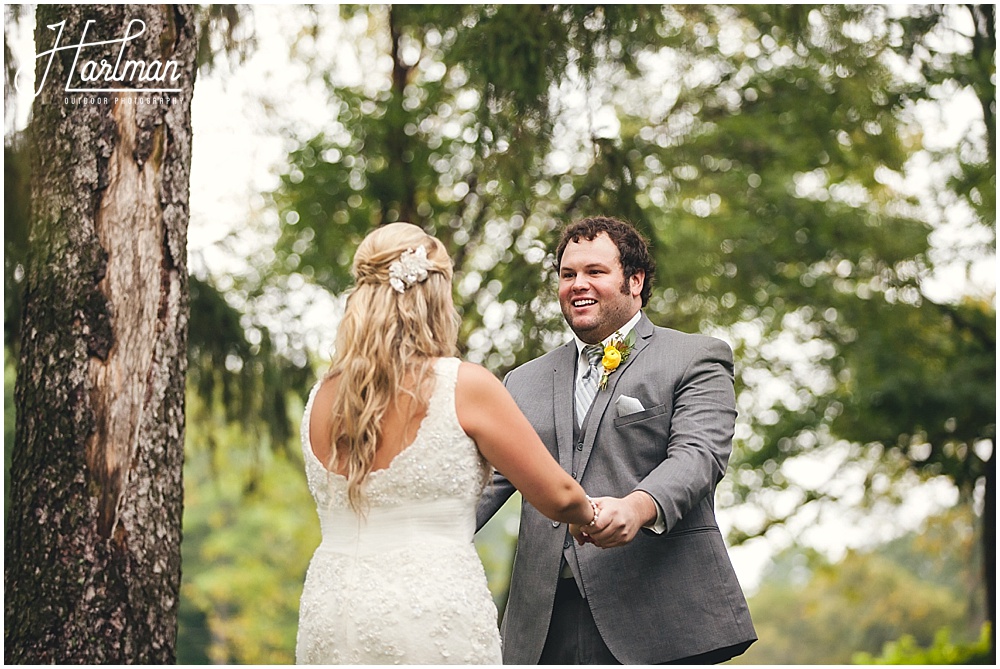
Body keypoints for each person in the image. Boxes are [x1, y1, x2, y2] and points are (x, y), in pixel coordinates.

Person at [295, 222, 602, 665]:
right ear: (435, 295)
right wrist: (590, 514)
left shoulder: (321, 397)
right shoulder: (462, 385)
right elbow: (557, 494)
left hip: (332, 606)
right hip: (429, 605)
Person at [476, 216, 757, 664]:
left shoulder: (696, 357)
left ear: (635, 281)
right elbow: (488, 483)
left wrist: (636, 507)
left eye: (594, 272)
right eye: (568, 274)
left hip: (659, 617)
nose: (577, 284)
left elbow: (698, 456)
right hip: (542, 628)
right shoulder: (522, 382)